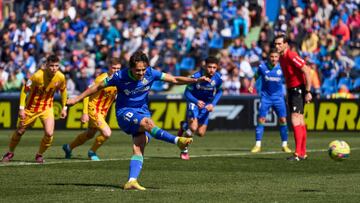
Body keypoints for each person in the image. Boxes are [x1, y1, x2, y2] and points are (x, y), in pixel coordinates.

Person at [67, 51, 210, 190]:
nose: (141, 73)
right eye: (137, 70)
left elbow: (174, 79)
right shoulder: (119, 76)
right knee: (148, 124)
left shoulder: (151, 73)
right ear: (130, 68)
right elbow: (97, 87)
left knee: (139, 146)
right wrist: (76, 99)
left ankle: (131, 181)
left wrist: (195, 80)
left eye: (143, 69)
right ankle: (177, 141)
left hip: (142, 111)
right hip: (125, 113)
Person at [1, 55, 67, 163]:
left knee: (49, 133)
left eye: (56, 66)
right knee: (20, 131)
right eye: (51, 66)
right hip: (31, 108)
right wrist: (22, 108)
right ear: (46, 65)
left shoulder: (61, 77)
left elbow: (63, 91)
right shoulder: (37, 76)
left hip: (47, 108)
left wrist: (64, 108)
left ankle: (39, 155)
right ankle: (10, 152)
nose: (54, 68)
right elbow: (24, 90)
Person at [62, 58, 121, 161]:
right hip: (93, 109)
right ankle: (92, 152)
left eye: (118, 68)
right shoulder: (101, 79)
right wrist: (85, 113)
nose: (116, 70)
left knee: (90, 134)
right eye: (114, 68)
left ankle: (69, 147)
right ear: (109, 67)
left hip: (103, 112)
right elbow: (87, 94)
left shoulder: (120, 80)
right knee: (107, 133)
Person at [274, 35, 312, 161]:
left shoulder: (291, 55)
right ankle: (303, 153)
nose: (277, 46)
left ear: (286, 44)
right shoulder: (282, 57)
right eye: (276, 44)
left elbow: (307, 70)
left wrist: (308, 91)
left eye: (279, 43)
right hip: (292, 90)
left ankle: (297, 154)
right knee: (300, 120)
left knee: (295, 119)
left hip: (298, 89)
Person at [177, 56, 223, 160]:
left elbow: (220, 91)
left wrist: (213, 104)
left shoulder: (218, 78)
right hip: (194, 103)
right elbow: (186, 93)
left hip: (206, 105)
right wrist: (196, 101)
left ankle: (184, 126)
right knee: (193, 128)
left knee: (201, 133)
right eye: (209, 67)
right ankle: (184, 151)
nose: (211, 70)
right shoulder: (196, 76)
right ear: (205, 66)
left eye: (214, 67)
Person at [249, 48, 292, 153]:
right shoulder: (262, 67)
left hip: (279, 98)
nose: (274, 59)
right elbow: (255, 77)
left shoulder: (282, 67)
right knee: (261, 120)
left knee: (283, 120)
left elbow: (288, 80)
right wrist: (251, 86)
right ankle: (258, 145)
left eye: (276, 57)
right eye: (272, 56)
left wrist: (288, 94)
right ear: (269, 57)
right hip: (266, 98)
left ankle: (284, 145)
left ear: (279, 57)